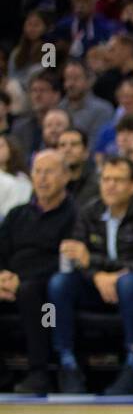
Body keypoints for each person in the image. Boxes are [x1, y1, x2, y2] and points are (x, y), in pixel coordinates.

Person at [50, 155, 133, 395]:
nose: (110, 185)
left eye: (118, 180)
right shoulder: (89, 211)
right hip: (99, 286)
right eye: (106, 179)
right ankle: (66, 361)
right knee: (59, 283)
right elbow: (77, 258)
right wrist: (96, 275)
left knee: (128, 282)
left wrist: (99, 267)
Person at [0, 151, 76, 393]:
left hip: (48, 293)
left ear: (65, 176)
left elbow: (67, 260)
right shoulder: (17, 214)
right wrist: (2, 276)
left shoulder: (75, 215)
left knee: (31, 291)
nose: (42, 178)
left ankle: (39, 371)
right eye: (38, 172)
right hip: (11, 282)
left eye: (49, 172)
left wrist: (19, 279)